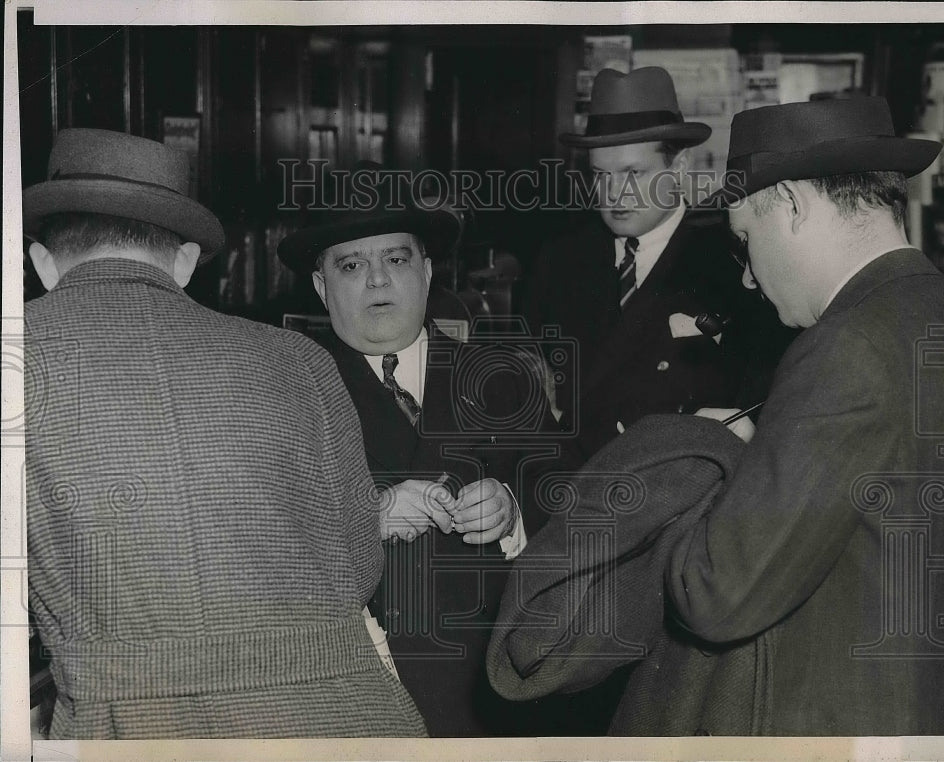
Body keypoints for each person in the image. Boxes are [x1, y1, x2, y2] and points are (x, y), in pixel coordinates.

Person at [487, 96, 944, 735]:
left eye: (745, 239)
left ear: (792, 204)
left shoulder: (842, 348)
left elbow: (715, 593)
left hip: (831, 723)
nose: (746, 279)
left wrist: (686, 471)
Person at [23, 129, 425, 739]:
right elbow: (359, 564)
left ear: (42, 264)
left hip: (132, 725)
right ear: (186, 262)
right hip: (347, 718)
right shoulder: (301, 360)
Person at [277, 170, 579, 736]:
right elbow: (262, 542)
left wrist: (513, 510)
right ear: (321, 287)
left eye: (396, 259)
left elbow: (570, 497)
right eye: (351, 266)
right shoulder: (290, 393)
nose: (377, 279)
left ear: (428, 271)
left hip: (497, 694)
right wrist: (367, 518)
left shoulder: (502, 378)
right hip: (361, 699)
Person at [522, 66, 794, 459]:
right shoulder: (560, 260)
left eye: (633, 173)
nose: (614, 194)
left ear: (679, 167)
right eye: (600, 175)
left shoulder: (734, 264)